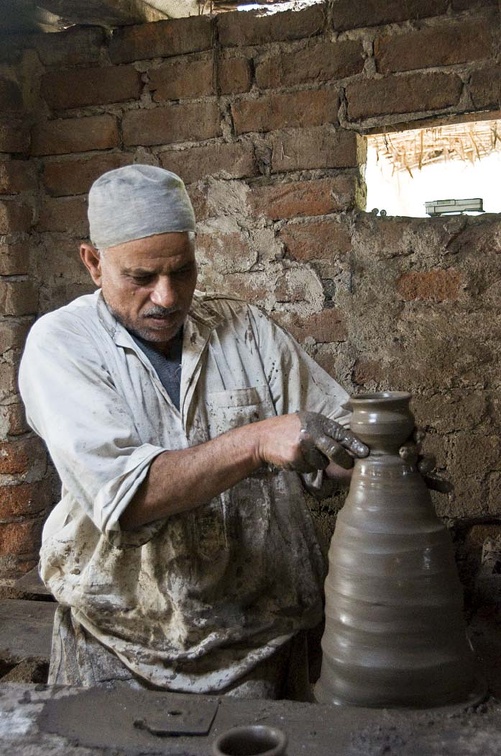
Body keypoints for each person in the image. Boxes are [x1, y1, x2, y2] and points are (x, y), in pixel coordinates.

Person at [19, 164, 369, 699]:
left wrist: (376, 456)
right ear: (93, 263)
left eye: (181, 271)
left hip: (259, 636)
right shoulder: (62, 346)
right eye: (141, 278)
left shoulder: (246, 331)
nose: (166, 296)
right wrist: (256, 441)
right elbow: (127, 498)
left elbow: (333, 437)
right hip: (118, 644)